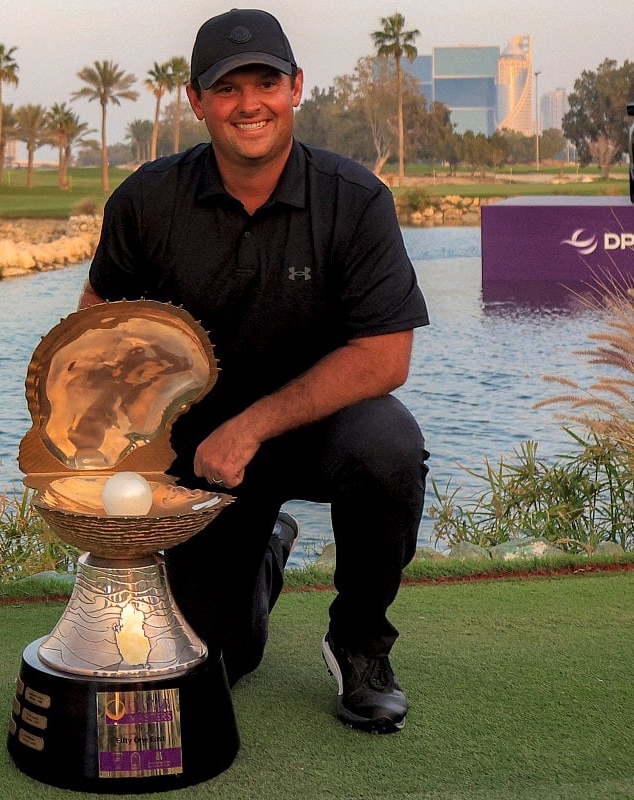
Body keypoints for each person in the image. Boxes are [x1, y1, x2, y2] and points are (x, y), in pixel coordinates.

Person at [79, 8, 429, 734]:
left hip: (321, 427)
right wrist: (109, 446)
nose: (249, 104)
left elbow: (385, 356)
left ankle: (360, 641)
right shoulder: (146, 201)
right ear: (196, 101)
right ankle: (265, 559)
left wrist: (251, 426)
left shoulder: (355, 199)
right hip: (200, 449)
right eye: (227, 88)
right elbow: (98, 332)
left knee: (390, 451)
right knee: (217, 659)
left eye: (265, 82)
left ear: (296, 87)